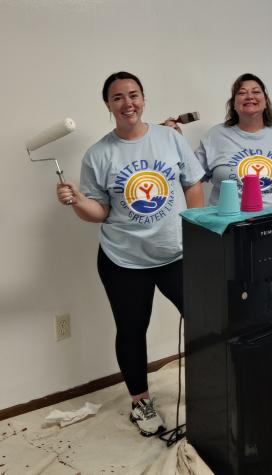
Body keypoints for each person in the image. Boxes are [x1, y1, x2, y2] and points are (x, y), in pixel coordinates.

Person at [56, 71, 205, 436]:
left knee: (205, 320)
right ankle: (141, 403)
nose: (128, 103)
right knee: (132, 330)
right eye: (118, 97)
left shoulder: (170, 138)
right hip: (123, 260)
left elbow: (193, 184)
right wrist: (76, 201)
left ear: (144, 99)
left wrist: (198, 233)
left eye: (134, 95)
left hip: (176, 253)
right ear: (108, 105)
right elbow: (100, 212)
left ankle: (209, 389)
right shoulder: (99, 154)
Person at [166, 72, 272, 381]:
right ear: (234, 102)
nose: (250, 96)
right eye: (242, 92)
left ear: (265, 100)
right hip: (227, 235)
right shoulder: (216, 136)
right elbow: (192, 176)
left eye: (256, 91)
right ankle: (231, 364)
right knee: (230, 303)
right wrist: (173, 140)